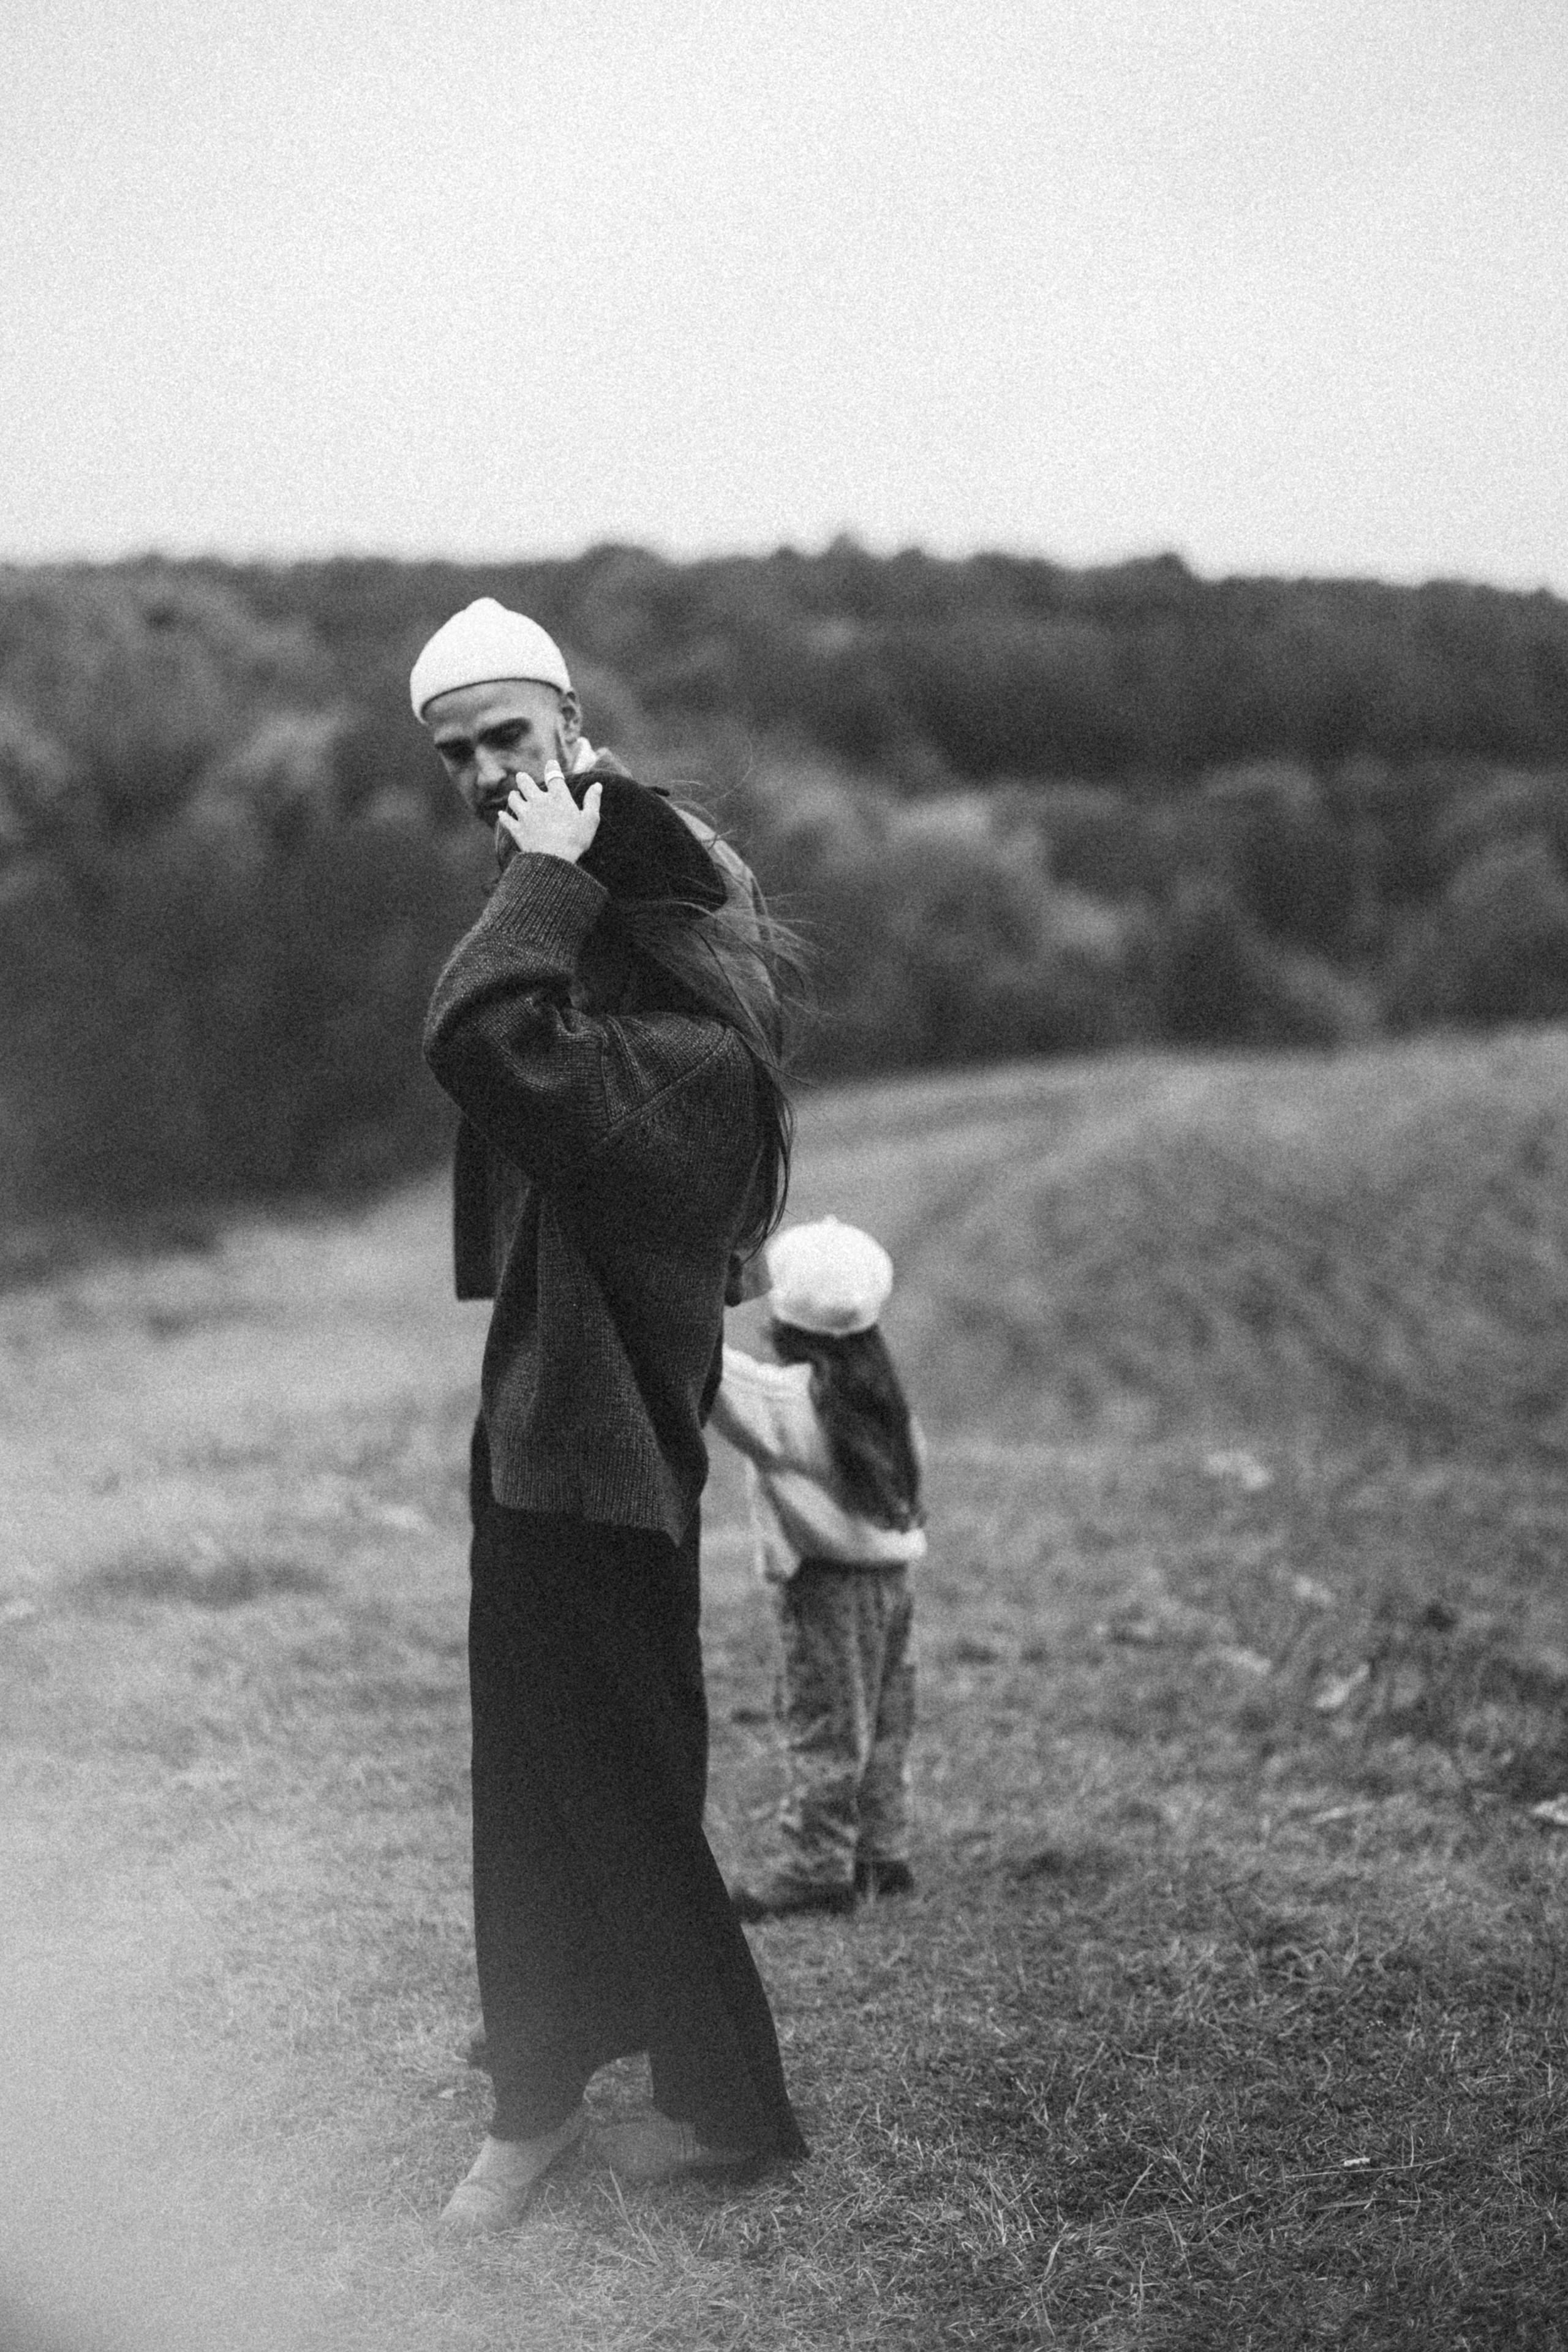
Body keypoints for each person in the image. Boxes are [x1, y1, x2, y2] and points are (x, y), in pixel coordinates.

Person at [413, 598, 808, 2235]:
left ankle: (676, 2111)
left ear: (572, 723)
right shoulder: (636, 950)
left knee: (610, 1784)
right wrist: (568, 874)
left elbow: (483, 1037)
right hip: (562, 1436)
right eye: (457, 757)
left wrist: (549, 880)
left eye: (510, 737)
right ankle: (565, 2073)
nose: (486, 776)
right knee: (555, 1774)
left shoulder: (684, 1035)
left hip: (601, 1453)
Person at [708, 1216, 927, 1922]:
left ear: (784, 1315)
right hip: (895, 1585)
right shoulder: (881, 1393)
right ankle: (880, 1854)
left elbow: (706, 1365)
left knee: (825, 1723)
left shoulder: (789, 1402)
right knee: (885, 1720)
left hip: (827, 1589)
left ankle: (814, 1867)